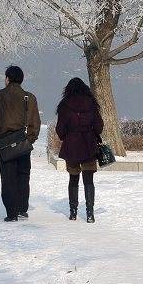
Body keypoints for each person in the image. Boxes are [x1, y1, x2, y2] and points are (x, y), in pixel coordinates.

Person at [0, 66, 41, 222]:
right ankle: (22, 208)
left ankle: (11, 212)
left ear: (7, 79)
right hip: (23, 142)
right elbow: (35, 123)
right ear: (22, 79)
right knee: (23, 175)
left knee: (8, 177)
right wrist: (30, 140)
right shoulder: (29, 97)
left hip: (4, 143)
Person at [55, 77, 103, 223]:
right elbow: (99, 126)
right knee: (89, 180)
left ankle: (73, 212)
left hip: (72, 146)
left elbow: (60, 129)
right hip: (88, 145)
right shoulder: (92, 104)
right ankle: (90, 213)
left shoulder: (64, 105)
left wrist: (67, 136)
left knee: (73, 178)